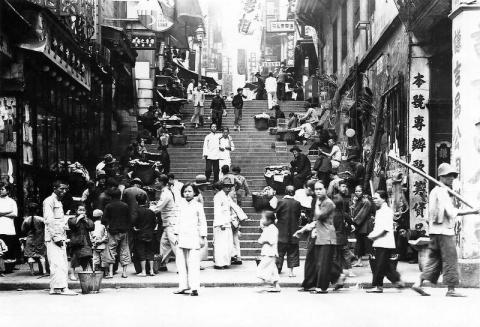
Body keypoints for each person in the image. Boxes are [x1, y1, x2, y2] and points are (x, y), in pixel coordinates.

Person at [412, 163, 480, 297]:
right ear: (441, 177)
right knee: (450, 259)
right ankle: (451, 289)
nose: (451, 178)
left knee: (435, 259)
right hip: (444, 232)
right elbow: (450, 212)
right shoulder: (442, 191)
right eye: (448, 176)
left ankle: (417, 283)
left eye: (453, 176)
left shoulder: (435, 191)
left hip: (435, 232)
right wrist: (471, 211)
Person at [295, 181, 344, 293]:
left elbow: (319, 216)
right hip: (319, 235)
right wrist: (303, 230)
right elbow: (315, 220)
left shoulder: (328, 203)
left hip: (327, 236)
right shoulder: (319, 201)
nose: (318, 191)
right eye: (316, 189)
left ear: (325, 189)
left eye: (320, 189)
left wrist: (317, 204)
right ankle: (334, 278)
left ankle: (322, 286)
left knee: (323, 263)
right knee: (319, 261)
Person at [366, 191, 405, 293]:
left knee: (379, 265)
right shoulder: (380, 211)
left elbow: (385, 229)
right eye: (374, 198)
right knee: (385, 265)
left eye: (376, 198)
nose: (374, 200)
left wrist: (374, 236)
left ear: (383, 199)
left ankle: (378, 286)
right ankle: (397, 280)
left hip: (383, 242)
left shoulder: (386, 211)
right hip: (381, 242)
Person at [173, 183, 207, 296]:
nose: (187, 194)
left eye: (189, 191)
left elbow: (202, 222)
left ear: (194, 193)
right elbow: (176, 221)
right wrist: (176, 235)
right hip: (182, 237)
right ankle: (183, 286)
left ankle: (194, 288)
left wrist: (202, 237)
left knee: (193, 263)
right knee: (181, 264)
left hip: (193, 237)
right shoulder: (180, 205)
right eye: (185, 191)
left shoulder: (198, 205)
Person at [44, 181, 77, 295]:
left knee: (60, 262)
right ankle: (61, 288)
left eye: (65, 189)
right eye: (61, 189)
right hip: (54, 237)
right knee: (58, 263)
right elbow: (49, 221)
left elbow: (60, 220)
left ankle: (55, 288)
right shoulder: (49, 201)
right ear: (54, 188)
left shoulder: (58, 201)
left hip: (60, 235)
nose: (64, 191)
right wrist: (56, 237)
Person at [102, 188, 131, 279]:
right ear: (120, 195)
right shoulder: (125, 205)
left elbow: (104, 220)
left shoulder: (109, 206)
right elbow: (129, 219)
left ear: (111, 196)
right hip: (124, 231)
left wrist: (108, 225)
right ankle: (124, 272)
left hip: (113, 231)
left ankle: (110, 273)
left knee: (111, 251)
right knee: (124, 250)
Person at [151, 175, 177, 271]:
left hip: (171, 222)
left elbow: (158, 208)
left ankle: (182, 264)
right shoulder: (165, 192)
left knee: (174, 244)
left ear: (162, 182)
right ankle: (162, 264)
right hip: (167, 223)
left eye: (157, 181)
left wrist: (148, 210)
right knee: (164, 243)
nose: (156, 183)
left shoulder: (166, 193)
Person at [275, 185, 301, 277]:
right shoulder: (297, 203)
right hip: (293, 230)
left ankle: (278, 269)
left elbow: (277, 215)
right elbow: (298, 216)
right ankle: (291, 272)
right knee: (293, 252)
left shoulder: (280, 202)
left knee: (280, 251)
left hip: (282, 230)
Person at [213, 177, 235, 269]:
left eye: (229, 186)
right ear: (222, 186)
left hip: (227, 222)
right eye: (226, 186)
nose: (228, 188)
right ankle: (219, 263)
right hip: (221, 224)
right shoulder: (218, 196)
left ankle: (225, 262)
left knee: (227, 244)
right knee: (220, 244)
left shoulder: (227, 196)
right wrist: (220, 223)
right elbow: (217, 211)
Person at [68, 204, 94, 279]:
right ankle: (72, 274)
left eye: (83, 210)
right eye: (80, 210)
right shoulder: (72, 219)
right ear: (76, 211)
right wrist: (79, 218)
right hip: (76, 242)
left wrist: (85, 220)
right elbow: (72, 224)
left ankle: (85, 274)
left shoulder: (87, 220)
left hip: (85, 242)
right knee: (74, 259)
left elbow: (92, 227)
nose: (82, 211)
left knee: (86, 258)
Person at [257, 210, 281, 292]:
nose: (262, 220)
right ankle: (276, 285)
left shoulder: (272, 229)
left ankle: (261, 284)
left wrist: (264, 241)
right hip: (269, 252)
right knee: (273, 270)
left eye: (263, 218)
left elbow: (270, 240)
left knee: (262, 268)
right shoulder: (268, 228)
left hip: (269, 253)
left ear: (269, 220)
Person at [133, 193, 157, 277]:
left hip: (140, 234)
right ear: (146, 201)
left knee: (141, 252)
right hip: (150, 234)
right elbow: (154, 223)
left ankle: (143, 271)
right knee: (150, 252)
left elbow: (134, 222)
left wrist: (135, 228)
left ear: (137, 202)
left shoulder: (136, 211)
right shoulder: (151, 212)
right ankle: (151, 271)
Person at [351, 185, 374, 267]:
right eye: (356, 191)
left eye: (359, 191)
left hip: (365, 224)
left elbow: (362, 214)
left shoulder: (366, 201)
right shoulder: (357, 200)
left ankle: (372, 261)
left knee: (368, 243)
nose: (357, 193)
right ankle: (359, 261)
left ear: (363, 192)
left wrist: (354, 222)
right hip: (359, 225)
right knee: (359, 243)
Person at [21, 203, 47, 276]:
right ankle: (44, 271)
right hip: (40, 239)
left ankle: (32, 271)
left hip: (30, 239)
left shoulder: (26, 220)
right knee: (42, 255)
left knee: (30, 256)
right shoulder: (42, 219)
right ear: (38, 210)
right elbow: (47, 228)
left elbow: (23, 230)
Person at [0, 182, 19, 264]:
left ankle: (9, 267)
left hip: (9, 228)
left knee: (9, 247)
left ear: (7, 191)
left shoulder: (12, 201)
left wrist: (1, 213)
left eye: (2, 189)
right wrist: (8, 212)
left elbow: (15, 214)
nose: (0, 190)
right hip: (0, 228)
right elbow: (11, 213)